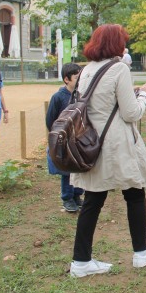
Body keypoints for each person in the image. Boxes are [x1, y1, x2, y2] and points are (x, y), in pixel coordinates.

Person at [68, 24, 146, 278]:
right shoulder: (119, 68)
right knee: (134, 192)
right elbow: (131, 113)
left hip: (91, 141)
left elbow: (101, 100)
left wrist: (132, 93)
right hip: (115, 143)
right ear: (116, 44)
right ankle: (141, 252)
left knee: (93, 199)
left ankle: (81, 260)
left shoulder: (87, 69)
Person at [45, 63, 84, 212]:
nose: (79, 79)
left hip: (78, 139)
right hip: (64, 140)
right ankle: (67, 198)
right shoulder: (58, 97)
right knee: (67, 171)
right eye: (76, 77)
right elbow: (50, 120)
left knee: (79, 167)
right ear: (66, 79)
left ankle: (77, 195)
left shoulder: (81, 95)